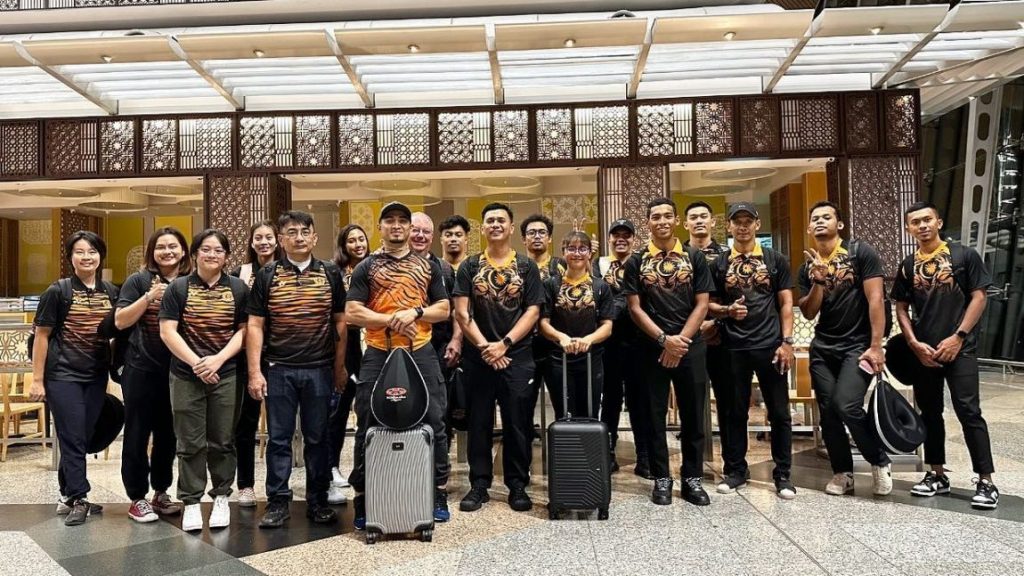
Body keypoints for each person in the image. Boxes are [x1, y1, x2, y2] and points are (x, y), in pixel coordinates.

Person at [345, 202, 453, 530]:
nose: (396, 226)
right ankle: (363, 497)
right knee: (366, 422)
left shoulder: (428, 266)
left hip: (420, 350)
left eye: (402, 221)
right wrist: (391, 319)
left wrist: (415, 313)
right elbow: (352, 312)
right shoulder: (367, 266)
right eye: (389, 221)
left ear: (409, 227)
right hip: (379, 351)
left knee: (435, 420)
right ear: (380, 227)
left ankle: (438, 493)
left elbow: (444, 309)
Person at [893, 201, 998, 509]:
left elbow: (979, 297)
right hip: (925, 353)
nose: (922, 225)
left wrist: (958, 336)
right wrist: (914, 343)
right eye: (915, 222)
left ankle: (986, 480)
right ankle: (936, 473)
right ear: (909, 228)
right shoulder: (908, 265)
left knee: (969, 411)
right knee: (930, 413)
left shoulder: (964, 256)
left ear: (938, 222)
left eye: (927, 219)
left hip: (960, 349)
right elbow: (901, 307)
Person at [247, 211, 347, 528]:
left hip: (320, 369)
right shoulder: (268, 275)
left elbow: (340, 323)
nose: (299, 237)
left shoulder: (330, 272)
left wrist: (339, 367)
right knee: (279, 439)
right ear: (281, 239)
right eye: (291, 232)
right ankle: (278, 502)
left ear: (315, 238)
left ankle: (318, 500)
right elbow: (255, 325)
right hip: (279, 369)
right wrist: (255, 372)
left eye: (305, 231)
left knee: (318, 438)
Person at [622, 198, 714, 507]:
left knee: (693, 414)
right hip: (651, 348)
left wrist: (680, 341)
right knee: (654, 415)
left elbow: (703, 303)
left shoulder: (694, 257)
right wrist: (664, 340)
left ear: (676, 221)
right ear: (648, 222)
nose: (661, 221)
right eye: (655, 216)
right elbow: (634, 308)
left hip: (690, 347)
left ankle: (692, 478)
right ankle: (662, 477)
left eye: (667, 216)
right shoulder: (636, 261)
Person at [797, 201, 893, 497]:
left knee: (846, 404)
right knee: (828, 412)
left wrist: (876, 346)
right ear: (809, 228)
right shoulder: (807, 266)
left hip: (858, 347)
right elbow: (809, 312)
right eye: (815, 218)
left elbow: (876, 299)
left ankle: (878, 459)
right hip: (823, 348)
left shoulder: (860, 253)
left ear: (839, 224)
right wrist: (818, 280)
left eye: (827, 217)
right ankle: (842, 473)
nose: (820, 221)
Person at [454, 202, 544, 513]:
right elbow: (462, 312)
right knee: (478, 422)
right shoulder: (469, 266)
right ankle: (479, 484)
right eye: (490, 220)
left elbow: (533, 311)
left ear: (510, 227)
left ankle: (517, 484)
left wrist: (504, 344)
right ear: (483, 228)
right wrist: (486, 348)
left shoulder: (526, 267)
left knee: (518, 423)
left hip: (517, 356)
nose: (495, 225)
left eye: (501, 220)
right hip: (478, 357)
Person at [159, 229, 248, 532]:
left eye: (218, 250)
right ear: (194, 254)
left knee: (223, 440)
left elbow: (244, 331)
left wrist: (218, 359)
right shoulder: (179, 288)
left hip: (226, 373)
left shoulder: (238, 288)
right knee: (189, 442)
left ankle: (221, 496)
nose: (212, 255)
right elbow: (168, 331)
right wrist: (197, 363)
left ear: (227, 256)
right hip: (186, 375)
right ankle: (192, 501)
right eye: (206, 249)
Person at [708, 203, 796, 500]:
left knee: (779, 412)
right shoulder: (719, 264)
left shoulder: (774, 259)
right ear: (729, 226)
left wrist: (787, 342)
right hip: (733, 347)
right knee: (734, 412)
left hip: (770, 346)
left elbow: (785, 302)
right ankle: (735, 470)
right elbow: (708, 303)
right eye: (737, 221)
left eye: (748, 221)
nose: (743, 226)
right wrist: (727, 311)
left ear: (757, 224)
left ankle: (783, 474)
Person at [29, 231, 117, 526]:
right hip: (62, 376)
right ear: (70, 257)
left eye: (92, 251)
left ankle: (67, 495)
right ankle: (80, 497)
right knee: (74, 435)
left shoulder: (111, 292)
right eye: (80, 252)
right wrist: (37, 380)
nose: (86, 257)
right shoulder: (58, 291)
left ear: (100, 256)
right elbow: (42, 337)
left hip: (95, 375)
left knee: (81, 435)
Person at [116, 227, 190, 523]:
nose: (167, 252)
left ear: (183, 251)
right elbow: (120, 321)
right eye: (161, 247)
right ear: (152, 252)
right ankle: (137, 497)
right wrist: (149, 297)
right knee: (137, 433)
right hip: (141, 368)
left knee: (168, 434)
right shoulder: (138, 281)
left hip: (178, 370)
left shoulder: (189, 281)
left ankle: (161, 492)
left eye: (173, 246)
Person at [679, 202, 741, 494]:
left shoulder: (727, 256)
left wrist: (715, 323)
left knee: (728, 405)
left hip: (720, 339)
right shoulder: (678, 255)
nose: (699, 221)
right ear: (685, 224)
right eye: (693, 217)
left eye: (704, 216)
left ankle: (733, 467)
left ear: (713, 222)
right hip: (686, 340)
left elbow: (733, 298)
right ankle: (691, 469)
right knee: (690, 407)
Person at [230, 220, 281, 508]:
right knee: (246, 422)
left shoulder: (285, 270)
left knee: (279, 424)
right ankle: (246, 485)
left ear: (277, 240)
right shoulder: (241, 274)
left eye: (268, 237)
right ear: (251, 242)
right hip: (248, 354)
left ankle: (278, 486)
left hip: (281, 353)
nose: (264, 242)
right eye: (258, 237)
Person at [594, 219, 651, 476]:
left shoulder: (642, 263)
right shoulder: (598, 264)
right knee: (610, 400)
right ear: (609, 239)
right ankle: (607, 453)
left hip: (639, 341)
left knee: (640, 401)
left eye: (626, 235)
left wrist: (614, 310)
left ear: (633, 239)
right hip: (608, 344)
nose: (621, 239)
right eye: (616, 235)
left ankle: (644, 456)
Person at [539, 231, 615, 420]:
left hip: (591, 358)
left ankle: (590, 440)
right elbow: (543, 323)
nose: (577, 253)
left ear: (589, 253)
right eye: (571, 249)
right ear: (563, 252)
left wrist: (589, 339)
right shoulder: (550, 285)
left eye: (582, 249)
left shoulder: (600, 287)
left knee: (590, 412)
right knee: (564, 413)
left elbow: (607, 326)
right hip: (559, 359)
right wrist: (561, 338)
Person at [325, 223, 369, 504]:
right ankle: (332, 467)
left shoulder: (376, 268)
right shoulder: (334, 272)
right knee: (338, 412)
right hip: (344, 347)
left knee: (367, 412)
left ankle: (364, 468)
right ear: (343, 245)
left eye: (361, 239)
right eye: (351, 240)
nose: (357, 244)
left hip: (372, 345)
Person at [521, 214, 566, 437]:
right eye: (531, 233)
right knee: (524, 401)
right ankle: (525, 441)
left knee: (562, 399)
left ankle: (563, 442)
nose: (537, 237)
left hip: (555, 343)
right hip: (525, 343)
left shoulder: (562, 266)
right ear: (523, 239)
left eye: (542, 232)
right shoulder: (518, 266)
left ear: (549, 238)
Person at [411, 212, 461, 379]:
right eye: (415, 230)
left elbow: (457, 310)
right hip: (403, 345)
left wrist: (456, 340)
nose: (420, 236)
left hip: (438, 348)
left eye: (426, 232)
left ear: (432, 237)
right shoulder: (391, 268)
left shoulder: (445, 269)